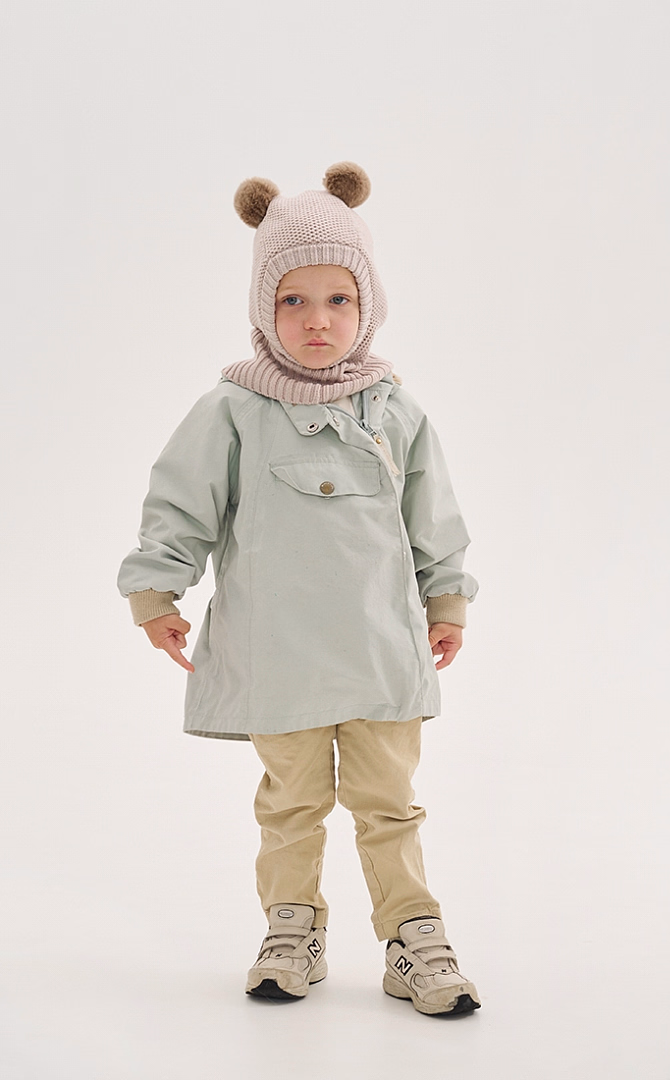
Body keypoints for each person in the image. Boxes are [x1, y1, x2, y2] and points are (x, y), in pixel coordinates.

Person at [117, 162, 481, 1017]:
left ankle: (414, 937)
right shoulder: (234, 409)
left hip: (381, 651)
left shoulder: (393, 409)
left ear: (368, 306)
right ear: (262, 308)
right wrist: (157, 595)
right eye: (292, 300)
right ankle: (291, 931)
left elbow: (434, 513)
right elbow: (180, 503)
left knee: (389, 806)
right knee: (290, 807)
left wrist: (447, 601)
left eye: (338, 300)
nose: (317, 320)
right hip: (279, 658)